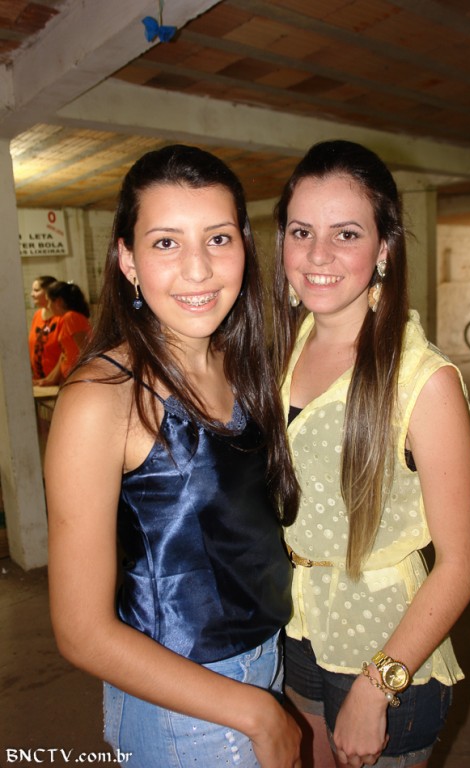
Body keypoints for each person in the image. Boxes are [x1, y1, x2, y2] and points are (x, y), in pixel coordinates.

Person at [46, 145, 302, 768]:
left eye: (218, 238)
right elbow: (81, 632)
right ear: (128, 261)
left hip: (263, 662)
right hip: (183, 707)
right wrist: (257, 714)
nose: (199, 269)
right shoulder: (101, 399)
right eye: (166, 243)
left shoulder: (239, 365)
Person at [272, 140, 470, 768]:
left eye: (346, 233)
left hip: (386, 647)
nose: (318, 255)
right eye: (302, 232)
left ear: (384, 247)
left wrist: (378, 684)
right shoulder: (285, 346)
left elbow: (460, 565)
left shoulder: (424, 382)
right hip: (297, 626)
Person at [35, 280, 92, 386]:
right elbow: (64, 354)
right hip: (72, 379)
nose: (48, 306)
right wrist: (49, 379)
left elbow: (85, 351)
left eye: (49, 301)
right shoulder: (67, 318)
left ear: (58, 302)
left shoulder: (71, 317)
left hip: (78, 380)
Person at [28, 274, 62, 380]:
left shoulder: (62, 317)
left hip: (59, 380)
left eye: (36, 290)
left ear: (48, 292)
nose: (32, 294)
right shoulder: (37, 315)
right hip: (40, 380)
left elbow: (67, 354)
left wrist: (51, 379)